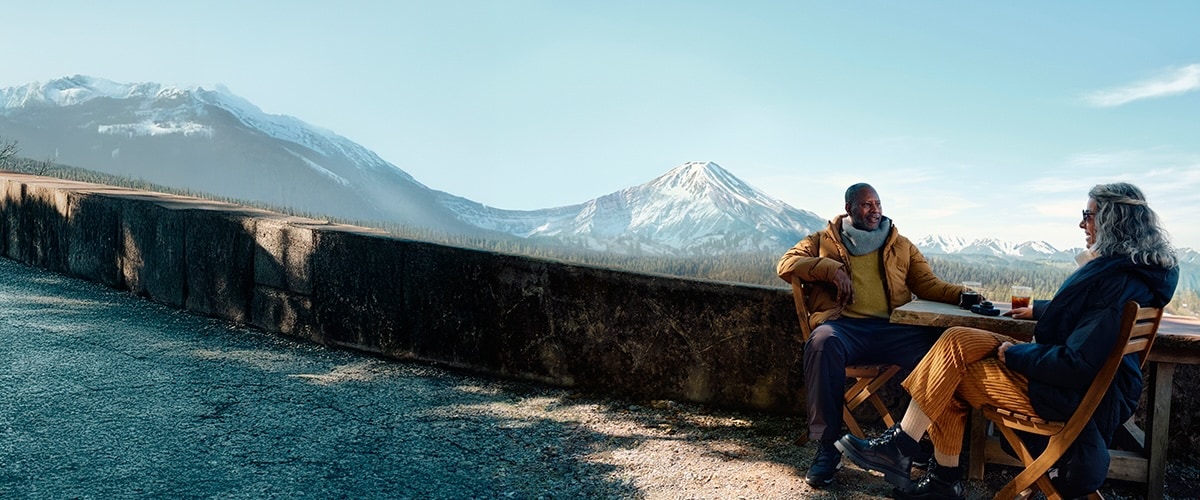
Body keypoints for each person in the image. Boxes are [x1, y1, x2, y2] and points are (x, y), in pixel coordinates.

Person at [836, 182, 1179, 499]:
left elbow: (1076, 364)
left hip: (1063, 396)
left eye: (1087, 216)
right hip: (1083, 391)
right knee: (956, 340)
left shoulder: (1115, 283)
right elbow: (1093, 319)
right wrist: (1041, 310)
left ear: (1111, 221)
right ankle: (912, 456)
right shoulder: (1134, 274)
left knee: (946, 373)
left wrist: (1016, 355)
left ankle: (923, 464)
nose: (1082, 224)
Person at [777, 183, 967, 488]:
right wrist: (828, 268)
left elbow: (929, 285)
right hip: (844, 327)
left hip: (893, 329)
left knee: (940, 354)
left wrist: (964, 294)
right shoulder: (823, 240)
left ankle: (916, 441)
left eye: (877, 203)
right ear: (849, 208)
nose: (875, 209)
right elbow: (786, 265)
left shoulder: (900, 243)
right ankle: (827, 448)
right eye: (866, 205)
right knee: (822, 344)